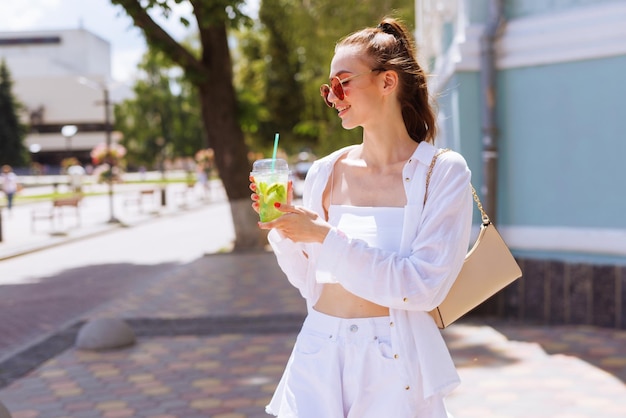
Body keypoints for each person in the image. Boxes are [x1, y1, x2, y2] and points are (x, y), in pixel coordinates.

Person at [250, 17, 473, 418]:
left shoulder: (442, 172)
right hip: (318, 349)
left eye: (343, 82)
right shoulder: (325, 170)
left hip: (393, 361)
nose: (334, 96)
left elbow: (422, 288)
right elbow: (308, 281)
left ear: (387, 82)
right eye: (328, 88)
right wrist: (285, 229)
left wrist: (322, 236)